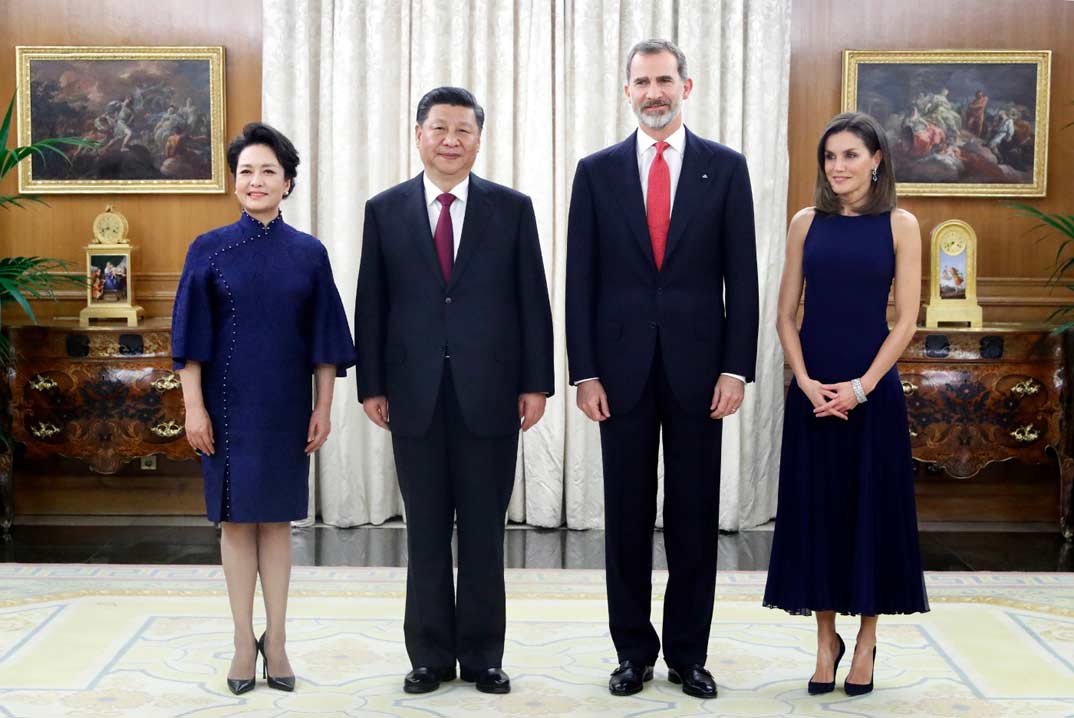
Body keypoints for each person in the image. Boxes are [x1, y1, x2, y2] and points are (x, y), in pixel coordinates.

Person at [565, 39, 759, 700]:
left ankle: (688, 654)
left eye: (665, 80)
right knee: (624, 516)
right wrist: (584, 372)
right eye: (642, 81)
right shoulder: (595, 172)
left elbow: (745, 280)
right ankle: (631, 653)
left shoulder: (726, 169)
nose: (654, 92)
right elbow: (579, 281)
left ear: (687, 86)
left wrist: (736, 368)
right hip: (617, 375)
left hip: (701, 373)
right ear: (627, 91)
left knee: (694, 517)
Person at [355, 86, 554, 696]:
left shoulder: (511, 208)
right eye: (439, 128)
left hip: (491, 393)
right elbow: (373, 303)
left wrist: (536, 384)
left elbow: (532, 302)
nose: (450, 140)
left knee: (485, 531)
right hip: (412, 394)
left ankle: (483, 655)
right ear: (418, 135)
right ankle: (430, 657)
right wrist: (372, 384)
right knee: (426, 530)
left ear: (478, 139)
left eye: (462, 130)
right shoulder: (384, 209)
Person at [172, 122, 355, 695]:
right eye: (246, 171)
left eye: (268, 171)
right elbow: (189, 339)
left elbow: (325, 339)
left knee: (276, 521)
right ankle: (239, 639)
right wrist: (193, 410)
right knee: (234, 522)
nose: (256, 180)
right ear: (234, 183)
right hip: (223, 409)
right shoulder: (207, 248)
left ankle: (275, 639)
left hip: (285, 406)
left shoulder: (309, 253)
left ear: (288, 182)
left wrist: (323, 406)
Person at [762, 112, 929, 697]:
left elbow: (906, 318)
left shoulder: (902, 224)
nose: (838, 167)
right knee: (821, 513)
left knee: (870, 512)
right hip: (813, 391)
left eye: (850, 155)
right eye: (830, 157)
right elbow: (785, 315)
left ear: (877, 159)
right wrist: (805, 381)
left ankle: (866, 642)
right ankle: (824, 641)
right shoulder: (806, 222)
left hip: (871, 390)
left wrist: (861, 387)